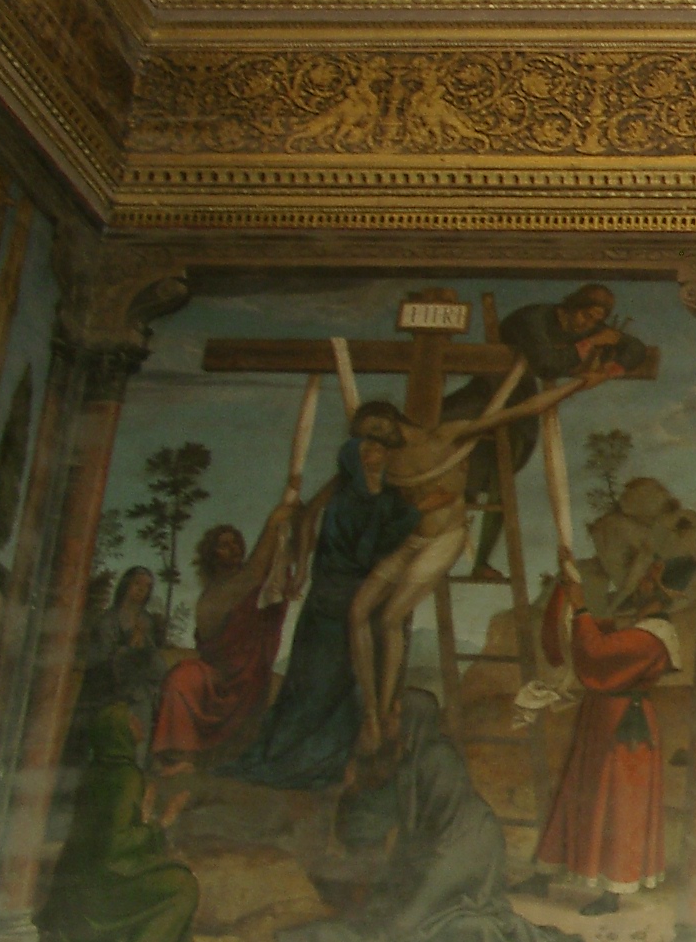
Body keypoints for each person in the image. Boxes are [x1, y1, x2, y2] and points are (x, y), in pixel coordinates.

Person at [349, 358, 619, 759]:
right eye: (368, 436)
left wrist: (578, 384)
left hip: (443, 540)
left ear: (390, 417)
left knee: (389, 618)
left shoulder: (444, 436)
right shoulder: (387, 461)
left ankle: (386, 710)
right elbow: (374, 505)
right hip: (410, 541)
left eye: (377, 428)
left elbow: (520, 410)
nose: (375, 439)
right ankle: (370, 712)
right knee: (357, 611)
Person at [277, 689, 603, 942]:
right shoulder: (410, 760)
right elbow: (381, 815)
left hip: (466, 843)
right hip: (443, 842)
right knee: (393, 914)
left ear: (413, 719)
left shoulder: (438, 755)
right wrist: (352, 791)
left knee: (406, 926)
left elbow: (445, 817)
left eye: (396, 714)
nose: (390, 721)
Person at [232, 422, 420, 790]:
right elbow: (347, 545)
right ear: (354, 459)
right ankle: (295, 757)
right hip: (331, 599)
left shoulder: (392, 499)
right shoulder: (342, 499)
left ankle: (337, 760)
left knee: (351, 684)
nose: (374, 455)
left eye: (378, 449)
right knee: (316, 683)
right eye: (366, 451)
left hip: (365, 599)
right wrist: (303, 566)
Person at [30, 705, 251, 942]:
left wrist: (143, 816)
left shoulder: (96, 772)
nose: (138, 723)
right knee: (182, 886)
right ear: (119, 730)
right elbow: (115, 844)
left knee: (172, 876)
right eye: (130, 719)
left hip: (77, 884)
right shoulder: (125, 776)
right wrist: (163, 821)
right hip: (101, 886)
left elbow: (106, 832)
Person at [438, 286, 639, 581]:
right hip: (485, 397)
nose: (588, 324)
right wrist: (591, 343)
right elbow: (546, 364)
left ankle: (481, 562)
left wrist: (608, 370)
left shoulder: (586, 326)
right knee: (447, 470)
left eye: (596, 320)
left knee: (502, 482)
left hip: (518, 406)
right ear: (571, 306)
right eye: (586, 315)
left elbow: (635, 348)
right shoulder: (533, 319)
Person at [530, 553, 694, 915]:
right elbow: (604, 638)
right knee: (578, 794)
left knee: (620, 806)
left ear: (661, 592)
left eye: (648, 580)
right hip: (603, 718)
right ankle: (545, 873)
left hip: (625, 728)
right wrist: (573, 602)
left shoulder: (652, 637)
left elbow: (598, 653)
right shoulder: (641, 628)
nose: (640, 584)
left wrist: (580, 607)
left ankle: (612, 892)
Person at [150, 499, 301, 773]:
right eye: (223, 544)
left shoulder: (252, 587)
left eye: (235, 542)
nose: (233, 548)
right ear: (211, 555)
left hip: (248, 679)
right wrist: (273, 521)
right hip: (219, 677)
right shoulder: (216, 593)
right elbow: (253, 572)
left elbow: (276, 575)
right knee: (182, 677)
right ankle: (180, 756)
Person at [75, 567, 164, 737]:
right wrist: (130, 647)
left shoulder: (146, 620)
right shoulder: (108, 619)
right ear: (126, 585)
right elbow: (101, 656)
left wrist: (142, 647)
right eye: (137, 583)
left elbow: (151, 657)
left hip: (137, 685)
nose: (141, 589)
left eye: (147, 586)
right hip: (107, 683)